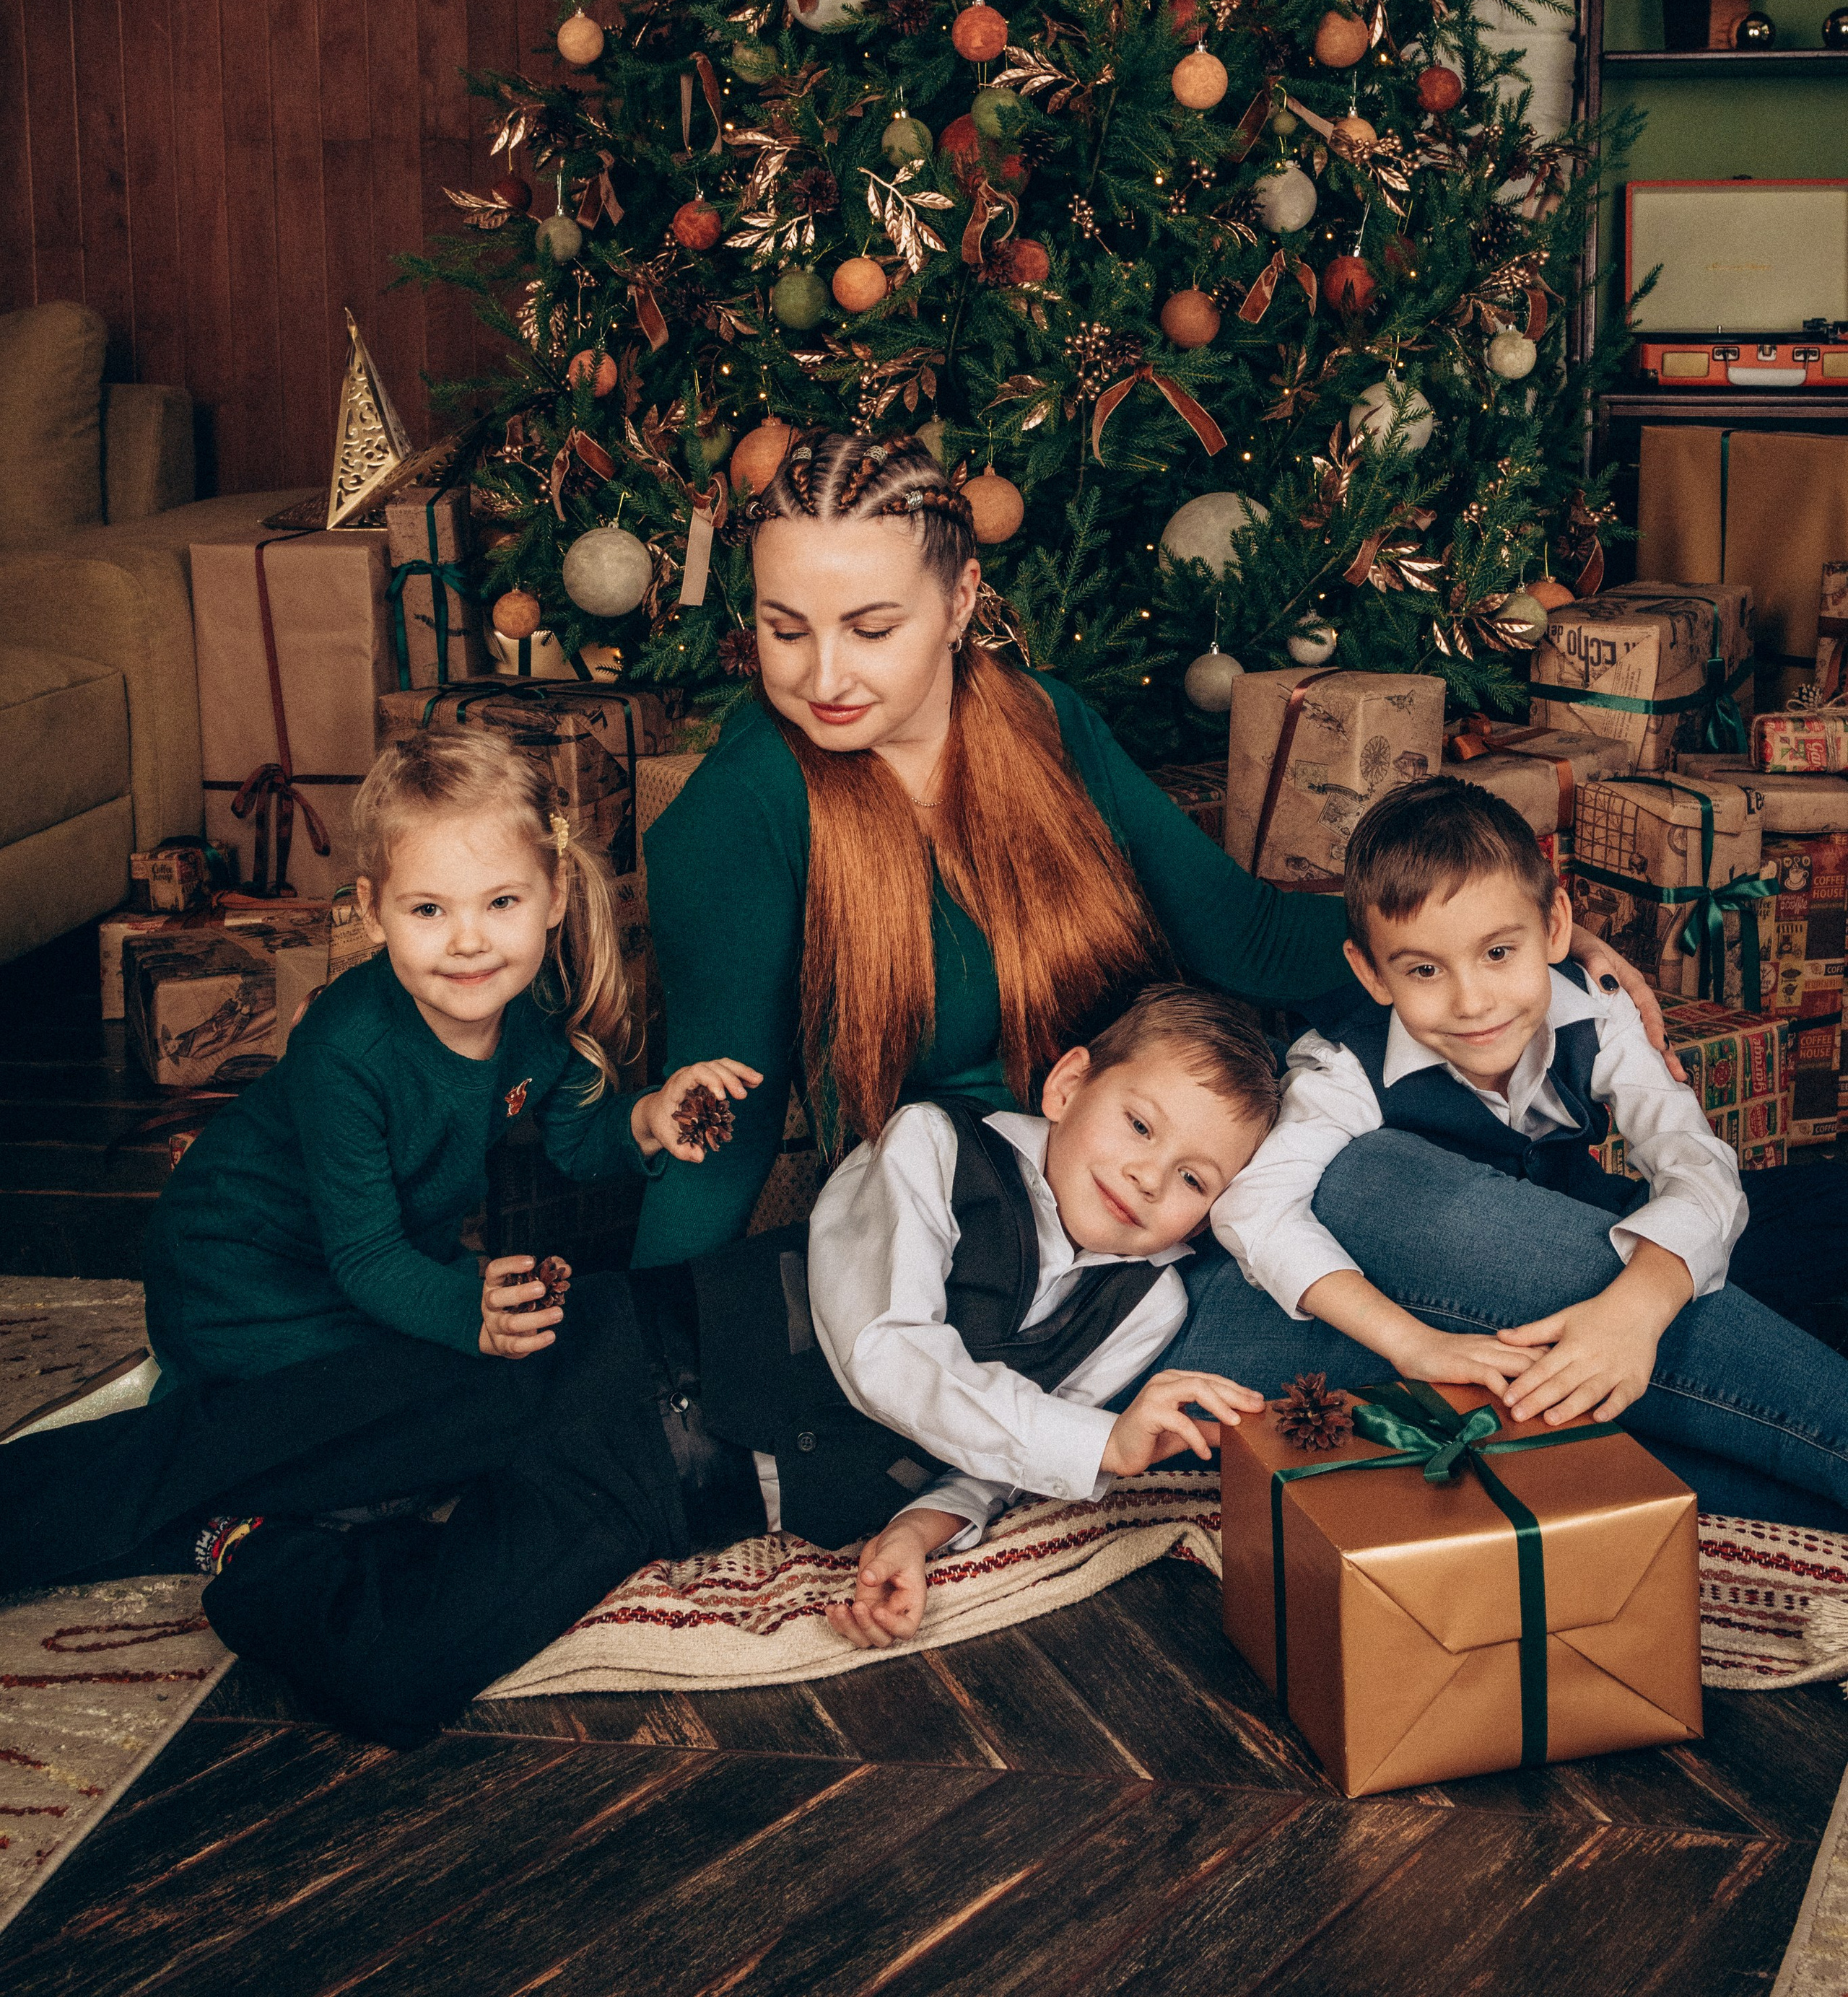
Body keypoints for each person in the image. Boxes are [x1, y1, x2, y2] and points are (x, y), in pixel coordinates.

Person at [0, 985, 1280, 1742]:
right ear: (1068, 1084)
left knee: (400, 1676)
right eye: (1139, 1123)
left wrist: (922, 1524)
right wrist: (1097, 1446)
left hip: (663, 1495)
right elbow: (886, 1353)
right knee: (257, 1431)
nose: (1147, 1178)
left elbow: (997, 1456)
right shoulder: (935, 1148)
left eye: (1193, 1178)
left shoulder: (1149, 1301)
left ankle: (258, 1550)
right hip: (596, 1353)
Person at [631, 429, 1653, 1265]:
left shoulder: (1042, 719)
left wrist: (1510, 943)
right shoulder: (742, 810)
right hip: (994, 1250)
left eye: (869, 629)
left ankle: (1688, 1301)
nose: (823, 677)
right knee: (1451, 1244)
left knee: (1426, 1196)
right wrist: (647, 1359)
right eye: (785, 630)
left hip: (1187, 1178)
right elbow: (721, 1129)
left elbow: (1244, 935)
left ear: (959, 602)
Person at [1211, 776, 1848, 1524]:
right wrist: (1410, 1344)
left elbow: (1694, 1160)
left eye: (1497, 952)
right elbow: (1254, 1209)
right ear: (1370, 972)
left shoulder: (1595, 1010)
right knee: (1686, 1451)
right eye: (1423, 970)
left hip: (1613, 1241)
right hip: (1490, 1312)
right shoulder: (1342, 1069)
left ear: (1554, 928)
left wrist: (1637, 1308)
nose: (1472, 1002)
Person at [135, 725, 754, 1394]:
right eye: (429, 909)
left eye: (502, 902)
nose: (468, 942)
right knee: (358, 1405)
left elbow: (578, 1142)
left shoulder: (544, 1000)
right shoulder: (343, 1051)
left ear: (554, 896)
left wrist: (650, 1116)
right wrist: (469, 1315)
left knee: (507, 1373)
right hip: (237, 1272)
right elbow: (367, 1257)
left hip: (380, 1259)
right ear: (374, 912)